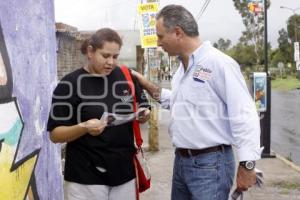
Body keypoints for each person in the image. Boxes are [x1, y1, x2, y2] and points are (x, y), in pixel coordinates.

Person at [131, 4, 262, 200]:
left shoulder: (218, 63)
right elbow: (175, 102)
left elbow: (244, 114)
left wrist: (247, 165)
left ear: (178, 33)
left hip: (210, 165)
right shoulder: (182, 70)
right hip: (182, 162)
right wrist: (143, 82)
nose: (158, 43)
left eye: (160, 36)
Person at [47, 28, 150, 200]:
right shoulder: (69, 84)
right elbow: (55, 135)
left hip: (124, 174)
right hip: (86, 179)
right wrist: (84, 127)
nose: (111, 62)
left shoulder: (124, 76)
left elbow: (142, 101)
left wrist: (144, 113)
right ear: (90, 51)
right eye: (105, 55)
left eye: (115, 57)